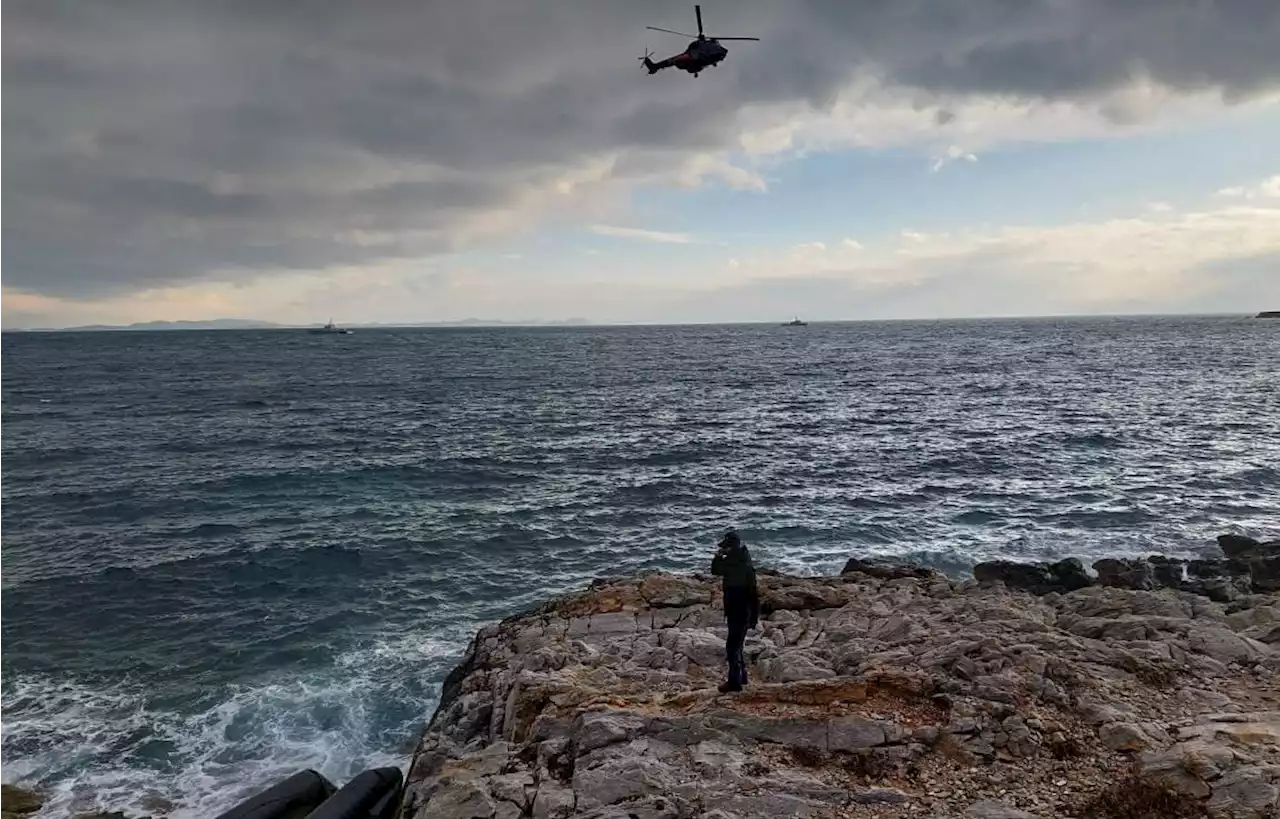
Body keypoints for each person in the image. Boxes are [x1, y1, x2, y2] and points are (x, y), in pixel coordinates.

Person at [709, 529, 760, 693]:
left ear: (730, 547)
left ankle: (734, 682)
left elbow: (715, 569)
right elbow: (754, 592)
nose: (724, 549)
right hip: (745, 611)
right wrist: (753, 616)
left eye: (726, 547)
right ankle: (742, 677)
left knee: (732, 647)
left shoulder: (732, 564)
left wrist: (718, 555)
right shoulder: (744, 561)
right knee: (738, 646)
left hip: (737, 611)